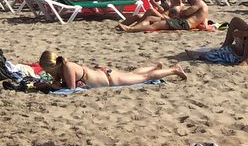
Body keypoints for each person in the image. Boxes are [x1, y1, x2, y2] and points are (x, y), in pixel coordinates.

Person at [38, 50, 187, 87]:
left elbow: (69, 89)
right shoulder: (63, 67)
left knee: (144, 78)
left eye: (46, 70)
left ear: (51, 66)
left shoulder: (67, 68)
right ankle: (155, 67)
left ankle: (173, 69)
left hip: (110, 79)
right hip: (105, 74)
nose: (46, 73)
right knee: (132, 74)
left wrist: (50, 86)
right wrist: (50, 84)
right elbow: (59, 84)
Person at [117, 0, 209, 32]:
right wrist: (159, 6)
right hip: (173, 19)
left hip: (171, 19)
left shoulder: (186, 5)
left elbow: (186, 13)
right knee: (144, 16)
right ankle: (125, 27)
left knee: (151, 15)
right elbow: (152, 0)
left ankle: (132, 29)